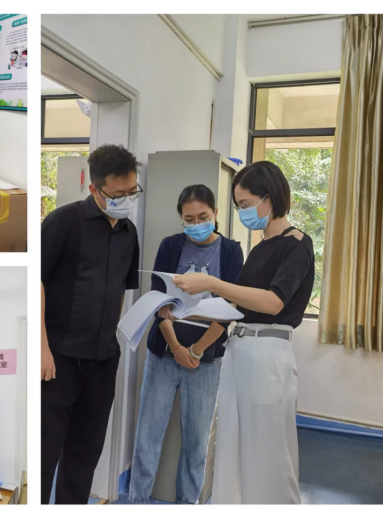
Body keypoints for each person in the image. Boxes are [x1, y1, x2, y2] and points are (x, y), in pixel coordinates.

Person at [172, 161, 315, 504]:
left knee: (268, 451)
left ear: (271, 197)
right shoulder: (261, 246)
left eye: (247, 204)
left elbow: (274, 302)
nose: (243, 212)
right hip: (240, 350)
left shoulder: (297, 244)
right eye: (239, 206)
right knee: (232, 446)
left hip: (268, 354)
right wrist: (189, 307)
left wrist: (212, 283)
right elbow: (241, 305)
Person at [128, 185, 244, 504]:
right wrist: (177, 347)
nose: (196, 224)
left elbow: (230, 308)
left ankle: (187, 505)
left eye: (203, 217)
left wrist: (196, 350)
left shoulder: (231, 252)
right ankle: (136, 503)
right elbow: (158, 302)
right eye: (189, 219)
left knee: (195, 445)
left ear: (215, 213)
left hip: (205, 360)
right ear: (181, 218)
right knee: (147, 438)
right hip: (164, 353)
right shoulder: (170, 245)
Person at [41, 144, 141, 504]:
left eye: (132, 192)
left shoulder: (129, 232)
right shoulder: (63, 222)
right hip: (57, 361)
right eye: (118, 194)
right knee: (45, 453)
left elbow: (120, 290)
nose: (126, 200)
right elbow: (36, 281)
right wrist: (42, 349)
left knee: (85, 455)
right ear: (94, 189)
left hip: (102, 361)